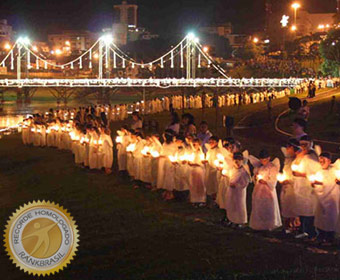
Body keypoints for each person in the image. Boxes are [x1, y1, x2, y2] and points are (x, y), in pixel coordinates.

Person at [292, 135, 319, 240]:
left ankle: (311, 232)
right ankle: (303, 230)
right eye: (301, 144)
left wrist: (302, 175)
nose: (303, 147)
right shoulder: (301, 154)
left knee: (309, 210)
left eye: (305, 144)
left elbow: (315, 171)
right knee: (302, 209)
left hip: (308, 188)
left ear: (310, 143)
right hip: (300, 187)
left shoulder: (311, 156)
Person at [249, 149, 282, 231]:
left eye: (264, 160)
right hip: (259, 190)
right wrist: (256, 178)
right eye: (261, 160)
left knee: (268, 207)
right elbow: (254, 177)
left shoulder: (272, 167)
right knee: (259, 206)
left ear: (268, 158)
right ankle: (259, 225)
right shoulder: (260, 167)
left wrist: (266, 181)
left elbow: (274, 179)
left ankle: (268, 225)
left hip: (268, 191)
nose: (263, 161)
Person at [312, 152, 339, 245]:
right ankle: (320, 236)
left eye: (324, 160)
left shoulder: (334, 171)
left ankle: (329, 239)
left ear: (329, 161)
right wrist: (314, 185)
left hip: (331, 200)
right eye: (320, 160)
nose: (321, 162)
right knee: (320, 219)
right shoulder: (319, 172)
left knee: (330, 219)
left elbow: (331, 183)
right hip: (320, 200)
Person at [222, 152, 251, 228]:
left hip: (239, 192)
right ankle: (232, 219)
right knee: (231, 205)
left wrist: (237, 185)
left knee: (239, 206)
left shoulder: (243, 172)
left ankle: (240, 221)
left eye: (239, 161)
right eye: (235, 161)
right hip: (231, 190)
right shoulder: (232, 169)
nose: (237, 163)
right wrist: (225, 175)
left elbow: (245, 182)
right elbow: (230, 176)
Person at [280, 138, 300, 234]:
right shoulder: (287, 159)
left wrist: (290, 180)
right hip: (286, 187)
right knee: (286, 205)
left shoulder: (298, 161)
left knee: (293, 207)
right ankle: (287, 225)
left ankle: (294, 226)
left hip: (294, 188)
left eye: (288, 147)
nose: (287, 149)